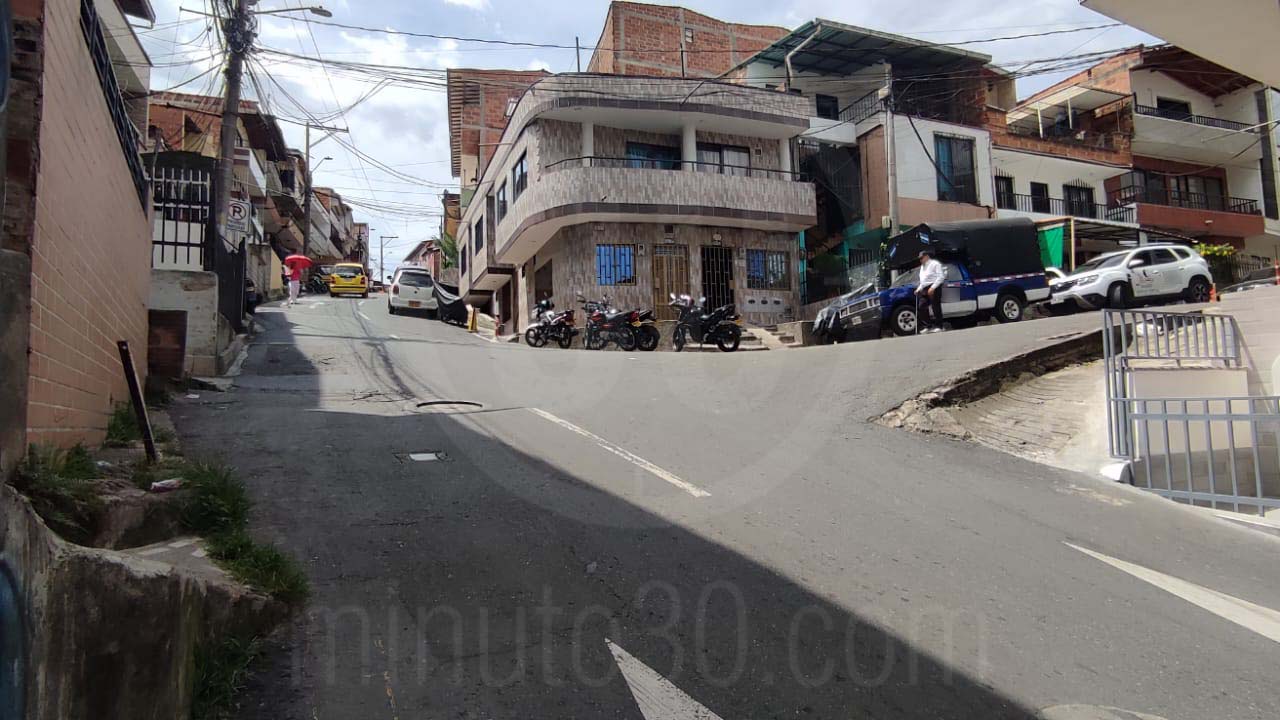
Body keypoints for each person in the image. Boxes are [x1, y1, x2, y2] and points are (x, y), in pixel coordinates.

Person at [915, 249, 945, 333]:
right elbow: (923, 280)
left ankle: (940, 326)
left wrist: (933, 287)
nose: (920, 260)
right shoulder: (922, 267)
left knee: (935, 306)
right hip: (924, 288)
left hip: (934, 286)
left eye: (922, 258)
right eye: (920, 258)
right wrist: (919, 289)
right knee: (921, 306)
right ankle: (928, 326)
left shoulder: (935, 264)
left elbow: (941, 277)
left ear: (927, 257)